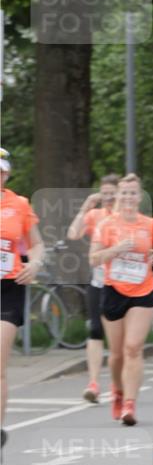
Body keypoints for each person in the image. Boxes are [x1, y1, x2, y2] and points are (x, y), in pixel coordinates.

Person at [90, 174, 153, 426]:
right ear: (118, 196)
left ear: (140, 196)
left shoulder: (150, 224)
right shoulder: (106, 224)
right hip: (114, 290)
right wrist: (116, 250)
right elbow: (93, 258)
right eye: (124, 193)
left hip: (143, 291)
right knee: (116, 354)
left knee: (133, 348)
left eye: (133, 193)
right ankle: (118, 391)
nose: (128, 197)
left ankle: (130, 405)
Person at [1, 149, 45, 448]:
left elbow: (37, 244)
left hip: (8, 288)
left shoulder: (19, 204)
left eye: (2, 171)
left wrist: (34, 264)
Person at [67, 174, 120, 402]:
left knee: (121, 341)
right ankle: (94, 383)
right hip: (99, 280)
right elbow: (73, 234)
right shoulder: (95, 214)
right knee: (95, 330)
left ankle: (120, 384)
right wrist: (85, 207)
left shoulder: (127, 217)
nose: (108, 198)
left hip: (123, 284)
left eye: (112, 193)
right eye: (104, 194)